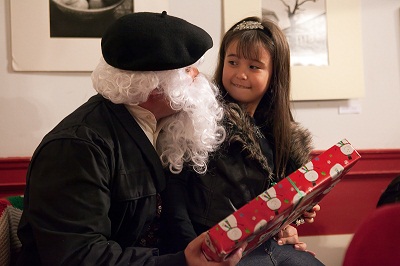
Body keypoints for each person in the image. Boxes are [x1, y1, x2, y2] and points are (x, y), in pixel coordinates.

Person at [16, 11, 246, 266]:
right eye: (188, 70)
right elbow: (78, 256)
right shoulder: (76, 146)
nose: (197, 77)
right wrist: (181, 262)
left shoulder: (167, 127)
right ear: (154, 83)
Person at [160, 16, 324, 265]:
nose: (240, 74)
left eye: (254, 67)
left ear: (274, 74)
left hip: (266, 244)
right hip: (215, 248)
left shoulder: (280, 134)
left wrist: (297, 212)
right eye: (233, 62)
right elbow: (175, 193)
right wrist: (191, 252)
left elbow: (274, 204)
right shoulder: (200, 119)